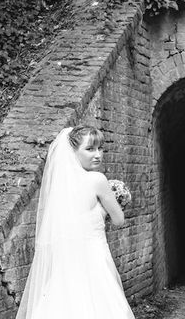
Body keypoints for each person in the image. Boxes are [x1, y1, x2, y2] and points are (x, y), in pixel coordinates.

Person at [15, 125, 135, 319]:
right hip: (93, 257)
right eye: (90, 149)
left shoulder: (58, 187)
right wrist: (112, 203)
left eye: (100, 148)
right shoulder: (97, 180)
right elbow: (119, 220)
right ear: (73, 151)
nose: (98, 155)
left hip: (65, 263)